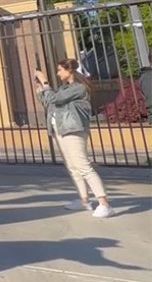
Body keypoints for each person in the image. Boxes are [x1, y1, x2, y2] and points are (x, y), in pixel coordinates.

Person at [36, 59, 114, 218]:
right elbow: (50, 103)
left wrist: (45, 82)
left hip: (73, 129)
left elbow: (55, 99)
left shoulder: (79, 88)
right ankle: (84, 200)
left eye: (60, 70)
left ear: (69, 70)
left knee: (83, 166)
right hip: (60, 129)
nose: (58, 73)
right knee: (73, 167)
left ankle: (104, 203)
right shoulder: (64, 89)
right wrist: (41, 92)